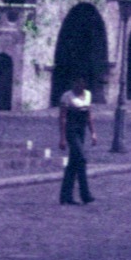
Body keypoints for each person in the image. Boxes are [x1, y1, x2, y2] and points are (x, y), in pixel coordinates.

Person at [58, 76, 97, 205]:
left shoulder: (88, 95)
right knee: (81, 159)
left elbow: (89, 115)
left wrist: (93, 133)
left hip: (82, 131)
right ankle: (85, 194)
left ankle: (65, 196)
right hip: (71, 130)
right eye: (76, 82)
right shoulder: (67, 96)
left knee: (73, 164)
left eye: (82, 82)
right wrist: (62, 138)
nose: (79, 85)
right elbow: (62, 118)